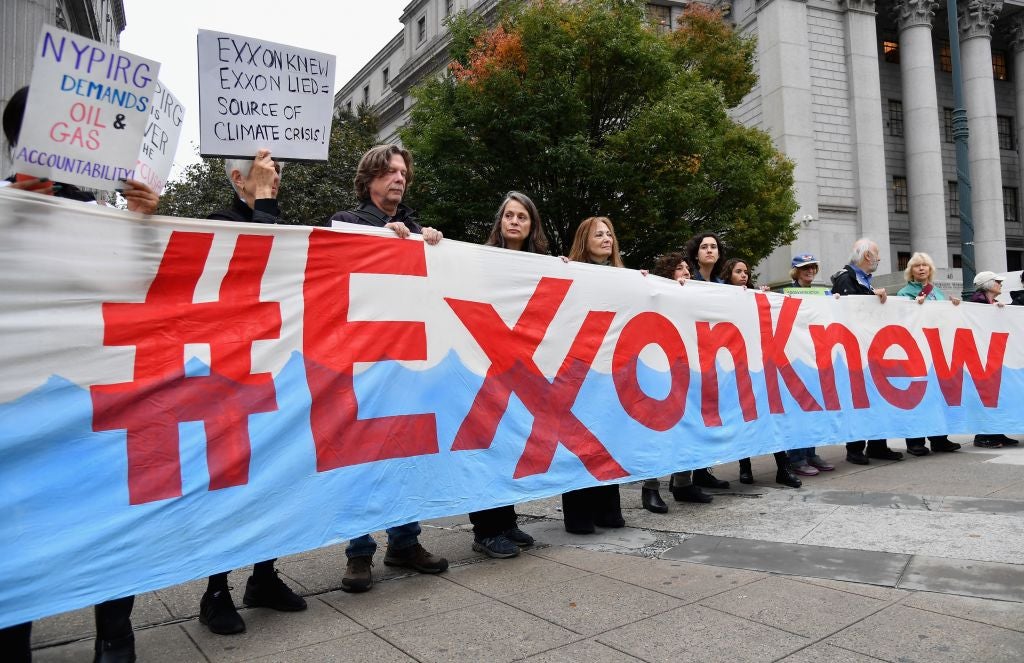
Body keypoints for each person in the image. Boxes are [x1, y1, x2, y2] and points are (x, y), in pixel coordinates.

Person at [1, 86, 164, 663]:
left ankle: (115, 633)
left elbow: (146, 290)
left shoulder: (105, 216)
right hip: (18, 402)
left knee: (111, 511)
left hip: (99, 393)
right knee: (14, 521)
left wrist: (144, 224)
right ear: (19, 141)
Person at [195, 151, 309, 635]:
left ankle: (263, 576)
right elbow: (252, 265)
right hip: (227, 377)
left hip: (275, 372)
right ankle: (215, 590)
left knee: (274, 477)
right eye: (266, 172)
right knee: (229, 481)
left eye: (278, 171)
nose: (276, 178)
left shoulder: (278, 221)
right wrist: (264, 207)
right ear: (239, 179)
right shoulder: (217, 224)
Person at [329, 144, 447, 591]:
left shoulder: (417, 229)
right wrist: (381, 238)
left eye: (403, 172)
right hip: (361, 361)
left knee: (405, 453)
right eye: (389, 171)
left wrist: (432, 246)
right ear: (369, 179)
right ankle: (359, 553)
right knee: (362, 457)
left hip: (408, 360)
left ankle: (404, 542)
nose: (398, 178)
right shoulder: (346, 223)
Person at [466, 192, 545, 556]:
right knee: (487, 445)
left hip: (520, 368)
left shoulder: (540, 264)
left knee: (509, 444)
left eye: (522, 217)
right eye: (509, 216)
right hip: (485, 364)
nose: (514, 221)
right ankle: (485, 529)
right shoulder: (478, 261)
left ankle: (507, 521)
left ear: (532, 226)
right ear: (499, 222)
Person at [561, 216, 627, 533]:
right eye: (598, 234)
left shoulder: (624, 277)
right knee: (580, 441)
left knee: (609, 437)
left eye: (609, 234)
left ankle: (607, 508)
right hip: (578, 368)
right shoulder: (570, 272)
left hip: (610, 372)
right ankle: (578, 514)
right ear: (584, 240)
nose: (606, 239)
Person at [720, 259, 801, 488]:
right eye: (738, 272)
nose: (744, 275)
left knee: (771, 415)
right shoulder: (720, 296)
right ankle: (745, 468)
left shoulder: (754, 296)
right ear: (728, 275)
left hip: (760, 366)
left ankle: (783, 468)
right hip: (736, 367)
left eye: (746, 271)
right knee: (744, 418)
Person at [830, 238, 903, 465]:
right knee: (859, 400)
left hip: (868, 351)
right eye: (877, 254)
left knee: (875, 398)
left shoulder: (861, 279)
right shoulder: (846, 278)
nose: (879, 259)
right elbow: (851, 311)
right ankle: (855, 449)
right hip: (855, 352)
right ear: (867, 256)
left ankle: (877, 445)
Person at [650, 253, 714, 505]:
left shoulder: (696, 298)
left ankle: (683, 483)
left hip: (691, 370)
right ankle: (651, 486)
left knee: (689, 427)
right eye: (679, 269)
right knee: (658, 431)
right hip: (663, 370)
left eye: (688, 268)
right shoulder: (657, 297)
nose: (687, 272)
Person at [895, 253, 962, 455]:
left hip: (936, 351)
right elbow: (901, 319)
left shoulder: (938, 293)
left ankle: (939, 438)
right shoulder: (903, 293)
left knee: (936, 396)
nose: (922, 268)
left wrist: (954, 307)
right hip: (915, 351)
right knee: (916, 396)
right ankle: (915, 442)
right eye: (917, 266)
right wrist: (915, 307)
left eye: (925, 265)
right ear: (911, 270)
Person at [681, 232, 731, 491]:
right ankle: (683, 479)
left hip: (713, 359)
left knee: (709, 415)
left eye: (713, 247)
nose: (709, 250)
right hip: (691, 357)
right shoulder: (687, 280)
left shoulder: (722, 285)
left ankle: (702, 471)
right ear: (696, 253)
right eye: (704, 247)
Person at [784, 254, 835, 475]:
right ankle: (796, 457)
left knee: (814, 407)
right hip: (795, 357)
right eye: (805, 268)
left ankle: (810, 453)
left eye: (813, 267)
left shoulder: (824, 294)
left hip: (816, 356)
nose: (810, 271)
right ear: (796, 271)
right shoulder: (787, 294)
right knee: (798, 409)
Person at [967, 271, 1018, 448]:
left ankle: (997, 431)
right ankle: (983, 436)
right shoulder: (977, 303)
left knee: (997, 395)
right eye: (997, 281)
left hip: (993, 355)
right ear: (987, 284)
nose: (1000, 284)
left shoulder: (992, 303)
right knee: (987, 395)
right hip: (982, 356)